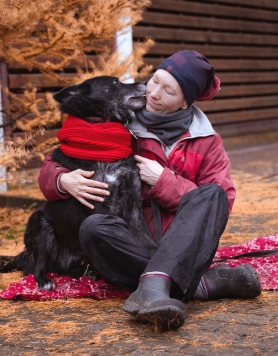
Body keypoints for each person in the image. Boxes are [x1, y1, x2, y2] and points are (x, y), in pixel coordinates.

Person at [38, 50, 261, 331]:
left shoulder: (207, 141)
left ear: (184, 103)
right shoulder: (120, 124)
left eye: (168, 91)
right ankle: (197, 284)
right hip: (131, 245)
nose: (153, 93)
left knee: (212, 194)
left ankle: (154, 289)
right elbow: (53, 163)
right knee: (94, 228)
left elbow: (221, 204)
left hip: (185, 243)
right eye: (155, 80)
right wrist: (63, 180)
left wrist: (164, 181)